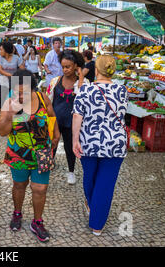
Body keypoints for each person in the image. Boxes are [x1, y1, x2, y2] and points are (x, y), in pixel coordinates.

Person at [0, 69, 60, 242]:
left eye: (24, 91)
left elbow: (52, 116)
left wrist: (56, 135)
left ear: (33, 89)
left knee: (40, 188)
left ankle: (37, 222)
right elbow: (2, 132)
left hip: (42, 152)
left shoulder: (42, 98)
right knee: (19, 185)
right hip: (18, 153)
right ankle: (17, 213)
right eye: (17, 91)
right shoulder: (9, 103)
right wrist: (10, 115)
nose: (20, 95)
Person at [72, 55, 128, 236]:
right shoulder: (122, 90)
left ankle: (91, 206)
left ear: (96, 70)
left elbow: (77, 116)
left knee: (90, 177)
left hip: (90, 142)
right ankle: (97, 225)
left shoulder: (85, 90)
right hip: (115, 144)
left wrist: (75, 139)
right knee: (106, 183)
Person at [47, 49, 88, 185]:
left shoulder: (83, 83)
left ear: (76, 65)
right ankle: (48, 165)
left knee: (70, 148)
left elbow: (83, 97)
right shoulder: (55, 81)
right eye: (63, 66)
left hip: (72, 123)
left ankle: (71, 171)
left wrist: (81, 76)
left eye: (68, 67)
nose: (65, 70)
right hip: (55, 121)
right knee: (51, 145)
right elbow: (48, 101)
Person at [0, 41, 25, 110]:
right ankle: (2, 118)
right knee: (3, 101)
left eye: (1, 49)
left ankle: (11, 117)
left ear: (6, 50)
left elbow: (22, 68)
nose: (0, 51)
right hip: (1, 82)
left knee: (14, 101)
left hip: (13, 83)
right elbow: (0, 70)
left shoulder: (16, 58)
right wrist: (10, 75)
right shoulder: (0, 58)